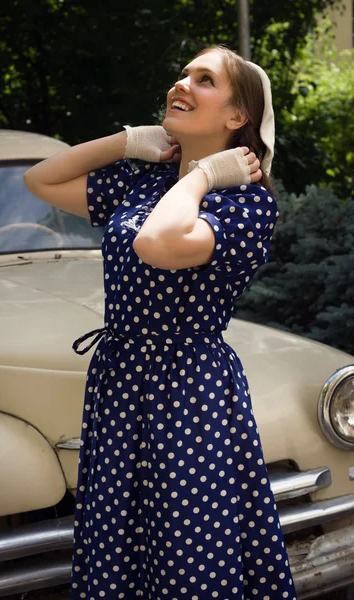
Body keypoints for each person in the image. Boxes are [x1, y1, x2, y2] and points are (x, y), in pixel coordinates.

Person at [24, 45, 297, 600]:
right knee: (117, 540)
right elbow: (39, 181)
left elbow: (156, 243)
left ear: (236, 117)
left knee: (187, 547)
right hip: (120, 377)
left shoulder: (247, 204)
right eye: (181, 74)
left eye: (204, 80)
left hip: (186, 386)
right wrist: (127, 142)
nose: (182, 83)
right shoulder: (142, 179)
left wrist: (203, 178)